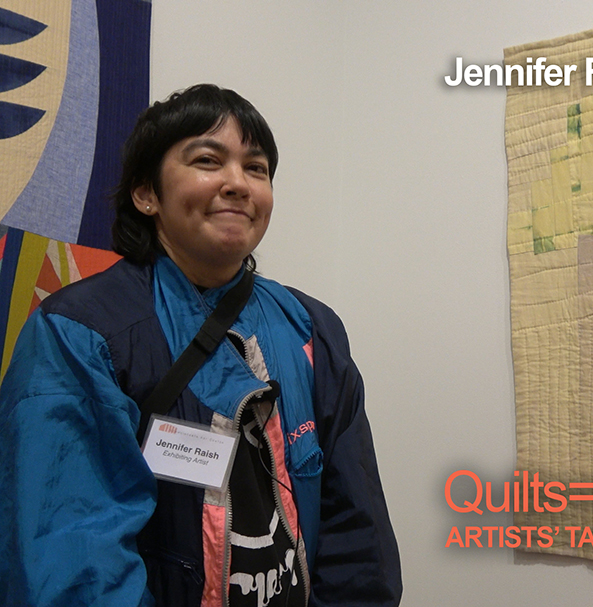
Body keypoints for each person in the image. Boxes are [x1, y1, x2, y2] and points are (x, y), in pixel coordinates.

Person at [0, 84, 402, 606]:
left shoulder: (310, 327)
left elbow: (358, 535)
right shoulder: (79, 334)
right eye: (208, 160)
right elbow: (72, 566)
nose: (238, 183)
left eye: (256, 168)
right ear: (147, 194)